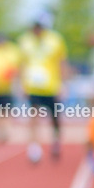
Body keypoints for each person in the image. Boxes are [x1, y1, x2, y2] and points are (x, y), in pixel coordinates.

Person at [18, 17, 68, 162]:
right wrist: (21, 84)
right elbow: (22, 63)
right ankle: (34, 147)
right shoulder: (25, 41)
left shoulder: (55, 40)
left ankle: (56, 141)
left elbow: (61, 62)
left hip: (51, 86)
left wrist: (63, 83)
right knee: (33, 116)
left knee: (55, 117)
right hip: (33, 86)